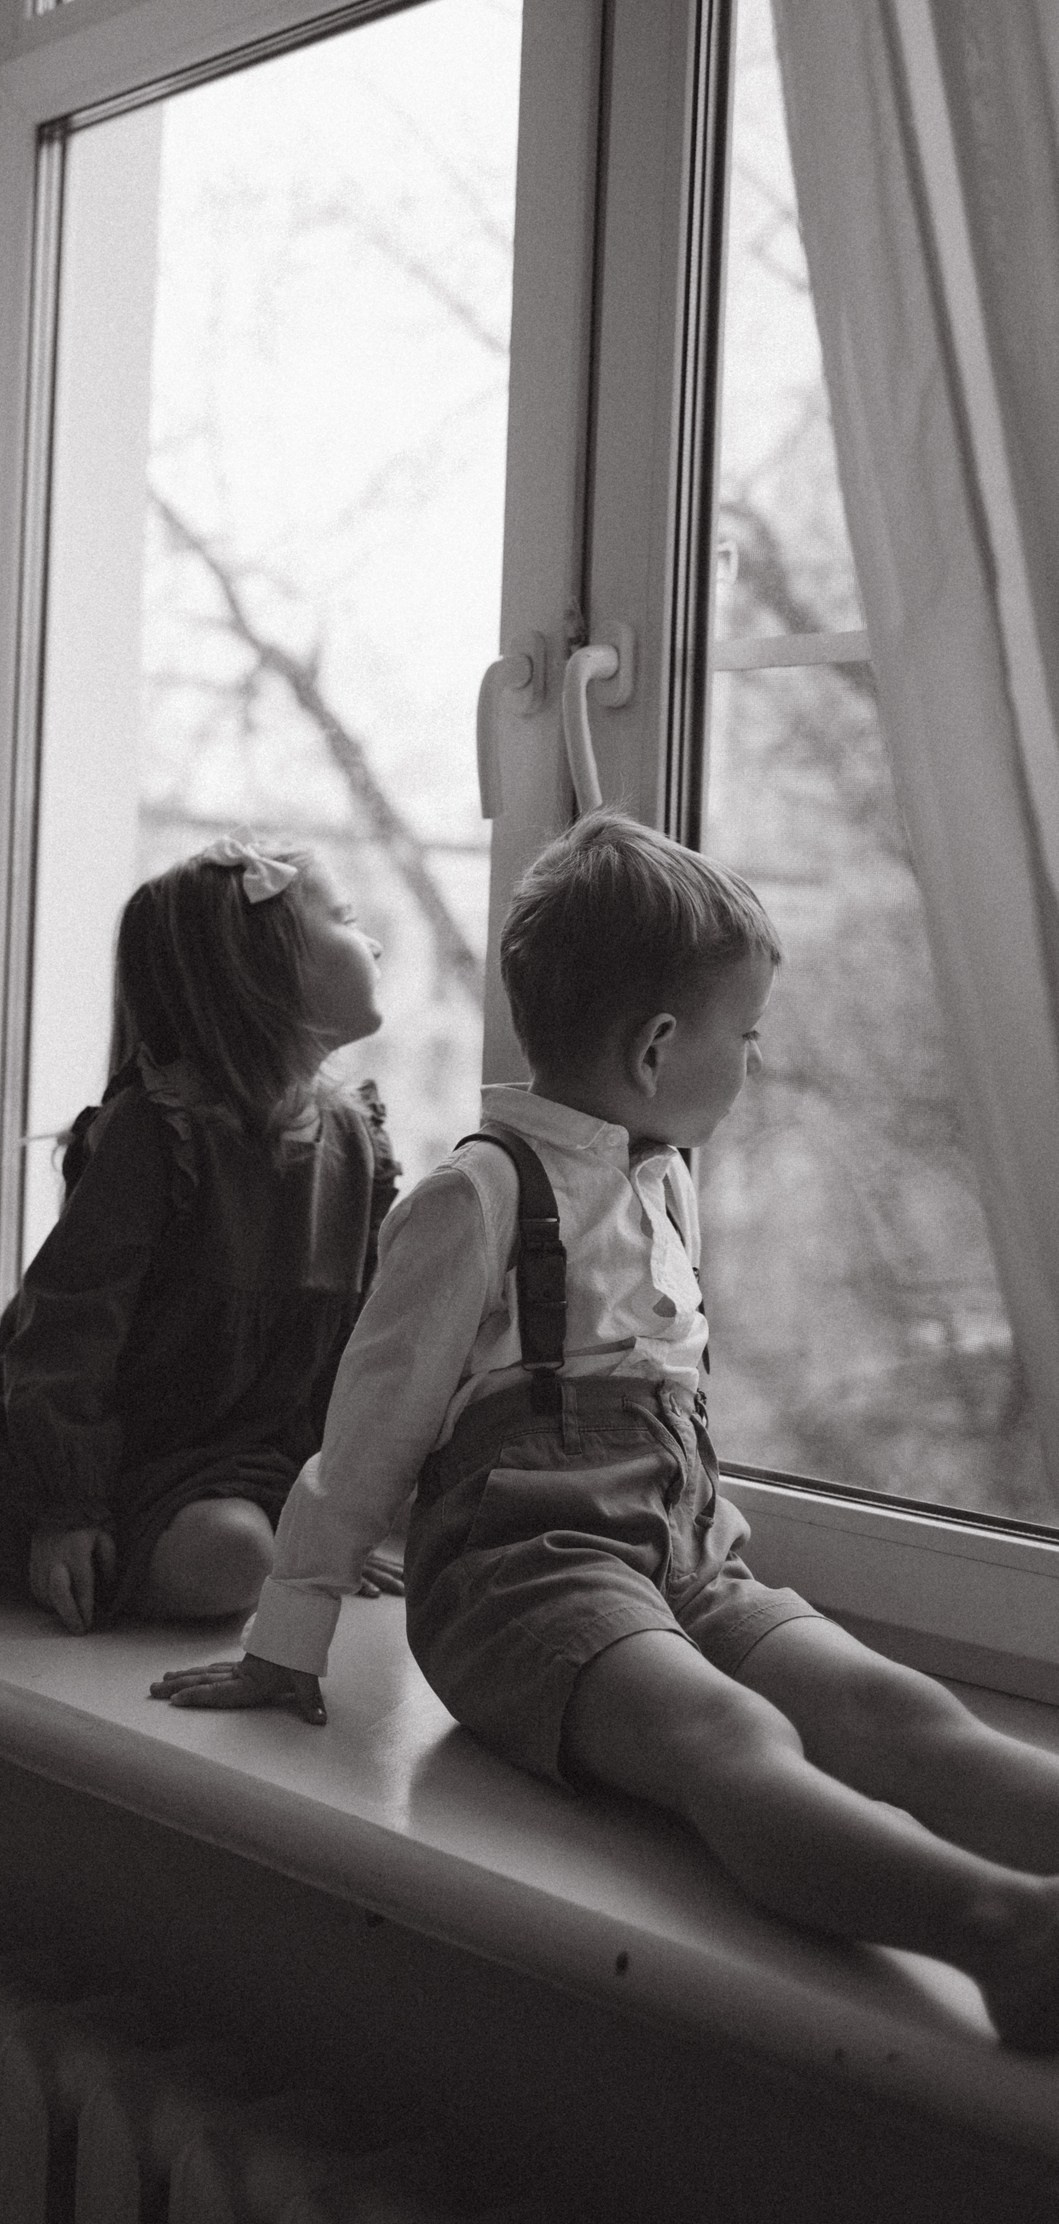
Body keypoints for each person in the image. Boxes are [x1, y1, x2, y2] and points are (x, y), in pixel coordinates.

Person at [154, 809, 1059, 2051]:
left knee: (893, 1707)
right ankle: (1001, 1931)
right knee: (728, 1737)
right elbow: (368, 1429)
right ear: (656, 1048)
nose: (756, 1061)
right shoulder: (478, 1195)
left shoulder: (663, 1176)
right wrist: (291, 1632)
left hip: (683, 1559)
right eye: (746, 1034)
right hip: (527, 1582)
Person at [0, 831, 400, 1634]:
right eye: (345, 919)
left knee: (234, 1560)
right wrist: (66, 1505)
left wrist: (330, 1517)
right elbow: (67, 1331)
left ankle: (12, 1559)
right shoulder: (155, 1133)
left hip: (210, 1470)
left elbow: (355, 1355)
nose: (370, 941)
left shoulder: (360, 1147)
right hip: (47, 1446)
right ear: (262, 967)